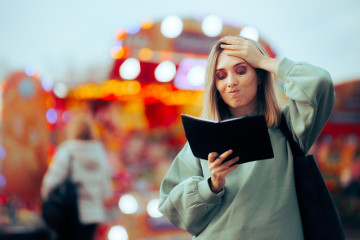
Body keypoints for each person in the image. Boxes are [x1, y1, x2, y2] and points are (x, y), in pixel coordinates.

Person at [158, 35, 335, 239]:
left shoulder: (289, 126)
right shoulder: (202, 139)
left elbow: (319, 82)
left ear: (259, 75)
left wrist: (263, 61)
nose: (231, 82)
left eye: (241, 70)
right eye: (221, 76)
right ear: (214, 85)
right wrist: (211, 185)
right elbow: (171, 207)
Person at [41, 113, 113, 240]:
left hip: (71, 214)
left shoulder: (67, 151)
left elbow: (50, 182)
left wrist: (46, 197)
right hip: (94, 216)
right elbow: (106, 190)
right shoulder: (100, 153)